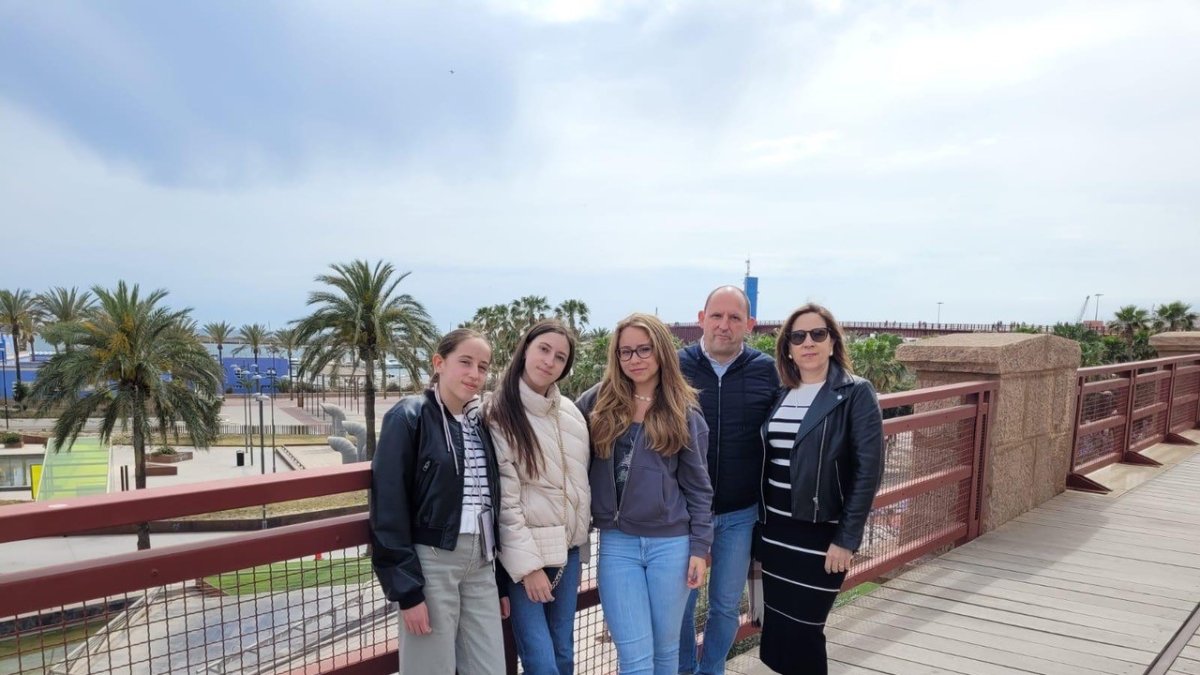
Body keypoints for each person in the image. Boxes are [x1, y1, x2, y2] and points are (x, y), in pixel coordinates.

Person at [577, 312, 714, 675]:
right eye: (625, 352)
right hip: (617, 543)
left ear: (661, 352)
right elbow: (554, 427)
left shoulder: (683, 411)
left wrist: (700, 548)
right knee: (635, 658)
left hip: (671, 544)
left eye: (643, 350)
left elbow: (699, 488)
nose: (634, 359)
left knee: (666, 651)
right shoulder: (598, 402)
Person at [369, 328, 510, 675]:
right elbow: (388, 507)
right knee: (430, 667)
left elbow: (492, 504)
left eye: (483, 366)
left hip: (481, 562)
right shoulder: (409, 417)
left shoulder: (480, 424)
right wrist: (407, 592)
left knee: (490, 667)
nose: (474, 374)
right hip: (432, 562)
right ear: (439, 363)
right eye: (465, 362)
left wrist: (502, 582)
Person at [758, 304, 883, 675]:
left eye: (817, 334)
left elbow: (868, 471)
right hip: (776, 533)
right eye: (798, 336)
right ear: (788, 348)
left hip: (820, 537)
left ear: (832, 342)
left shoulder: (854, 393)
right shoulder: (782, 394)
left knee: (806, 632)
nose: (808, 342)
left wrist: (846, 538)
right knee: (779, 633)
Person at [677, 286, 779, 675]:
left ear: (749, 325)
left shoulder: (766, 370)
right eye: (716, 316)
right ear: (700, 319)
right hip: (685, 515)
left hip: (740, 512)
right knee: (683, 605)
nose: (724, 325)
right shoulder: (675, 366)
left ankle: (712, 669)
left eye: (735, 318)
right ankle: (685, 670)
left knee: (723, 606)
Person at [487, 319, 591, 675]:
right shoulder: (499, 413)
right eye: (543, 349)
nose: (549, 361)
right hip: (525, 559)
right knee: (540, 660)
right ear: (526, 349)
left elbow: (578, 487)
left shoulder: (572, 415)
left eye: (560, 357)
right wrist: (528, 568)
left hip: (569, 552)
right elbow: (505, 501)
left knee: (563, 653)